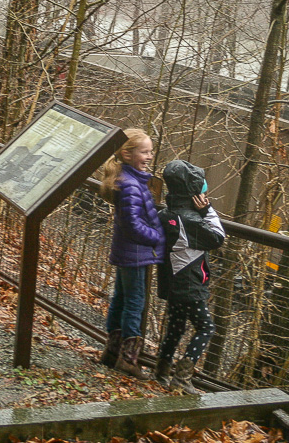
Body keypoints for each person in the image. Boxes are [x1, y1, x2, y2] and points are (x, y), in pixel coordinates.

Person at [154, 159, 225, 394]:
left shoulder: (167, 214)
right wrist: (207, 211)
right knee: (206, 327)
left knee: (176, 327)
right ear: (194, 193)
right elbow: (217, 237)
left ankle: (161, 372)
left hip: (173, 281)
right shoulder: (191, 220)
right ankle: (182, 378)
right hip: (189, 283)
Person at [98, 128, 163, 379]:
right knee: (135, 302)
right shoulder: (131, 185)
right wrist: (157, 237)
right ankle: (129, 359)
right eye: (144, 152)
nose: (149, 156)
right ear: (127, 154)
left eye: (150, 151)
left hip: (128, 251)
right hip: (135, 253)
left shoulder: (127, 178)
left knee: (121, 298)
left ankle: (112, 352)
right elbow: (133, 225)